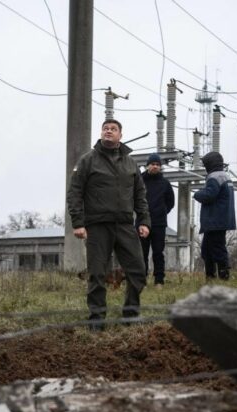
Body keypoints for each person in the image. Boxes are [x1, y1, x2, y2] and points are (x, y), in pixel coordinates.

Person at [67, 119, 151, 326]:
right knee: (97, 273)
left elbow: (140, 194)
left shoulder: (131, 163)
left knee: (138, 271)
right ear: (101, 133)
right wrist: (78, 223)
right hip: (97, 225)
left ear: (120, 135)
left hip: (124, 225)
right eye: (105, 128)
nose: (108, 131)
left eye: (113, 129)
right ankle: (97, 319)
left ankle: (130, 315)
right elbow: (75, 192)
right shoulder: (88, 160)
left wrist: (144, 221)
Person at [194, 151, 235, 281]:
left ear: (210, 165)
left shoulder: (214, 177)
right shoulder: (225, 176)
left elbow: (209, 195)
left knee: (217, 249)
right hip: (221, 220)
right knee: (207, 249)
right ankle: (211, 277)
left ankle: (223, 277)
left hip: (215, 221)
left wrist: (197, 194)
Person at [138, 153, 175, 288]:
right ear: (147, 165)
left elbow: (171, 202)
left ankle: (159, 280)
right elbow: (133, 198)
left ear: (160, 167)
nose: (155, 166)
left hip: (159, 223)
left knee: (158, 252)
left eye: (157, 165)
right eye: (152, 164)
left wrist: (162, 212)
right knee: (142, 252)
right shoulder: (140, 181)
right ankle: (142, 281)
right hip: (142, 222)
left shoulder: (165, 184)